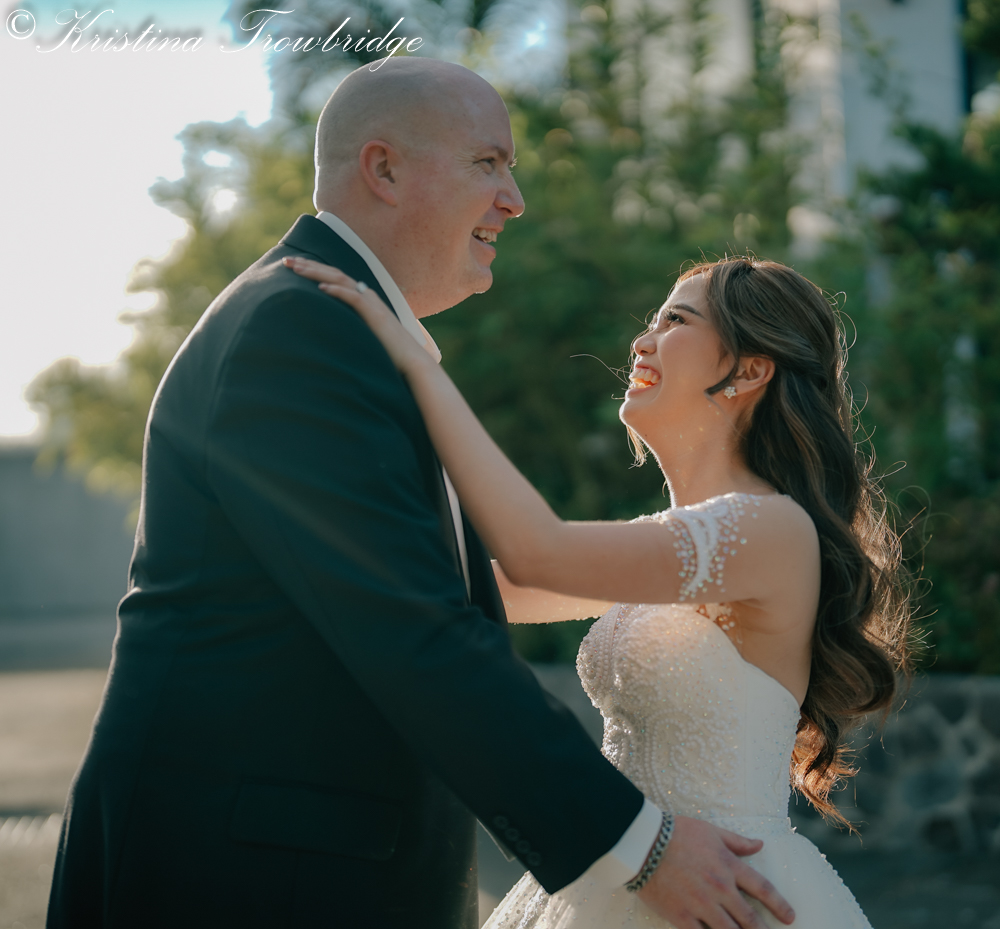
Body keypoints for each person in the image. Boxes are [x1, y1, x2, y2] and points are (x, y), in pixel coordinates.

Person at [47, 59, 794, 929]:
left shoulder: (337, 329)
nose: (515, 199)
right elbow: (414, 629)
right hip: (243, 882)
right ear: (384, 169)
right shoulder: (296, 330)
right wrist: (640, 845)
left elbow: (459, 594)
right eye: (488, 162)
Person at [286, 251, 913, 928]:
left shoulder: (771, 530)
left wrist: (417, 366)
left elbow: (536, 552)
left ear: (750, 370)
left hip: (721, 891)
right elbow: (468, 587)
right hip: (621, 876)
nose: (641, 341)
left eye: (675, 321)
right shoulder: (669, 548)